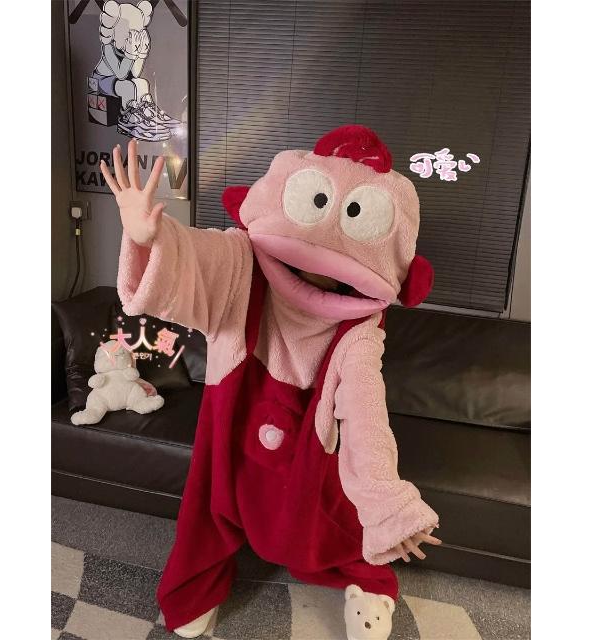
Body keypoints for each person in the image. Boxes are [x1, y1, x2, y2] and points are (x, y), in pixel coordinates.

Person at [101, 127, 442, 639]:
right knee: (209, 512)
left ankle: (368, 583)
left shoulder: (360, 330)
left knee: (325, 525)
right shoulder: (242, 265)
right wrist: (152, 240)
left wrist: (386, 502)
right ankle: (198, 588)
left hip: (308, 446)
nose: (317, 262)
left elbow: (366, 412)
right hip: (231, 428)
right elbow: (199, 259)